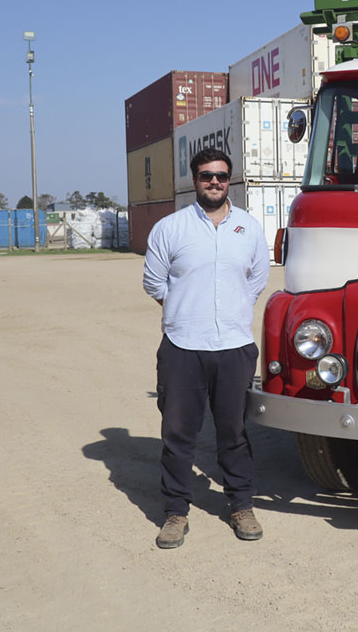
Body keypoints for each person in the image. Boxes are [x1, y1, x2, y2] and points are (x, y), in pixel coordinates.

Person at [143, 147, 270, 549]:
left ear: (229, 180)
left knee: (233, 431)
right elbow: (154, 282)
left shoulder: (249, 227)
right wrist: (185, 310)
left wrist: (228, 313)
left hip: (234, 346)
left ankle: (241, 505)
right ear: (193, 180)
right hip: (183, 347)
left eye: (220, 176)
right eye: (205, 175)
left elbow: (256, 280)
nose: (213, 182)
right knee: (178, 433)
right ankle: (176, 513)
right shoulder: (170, 228)